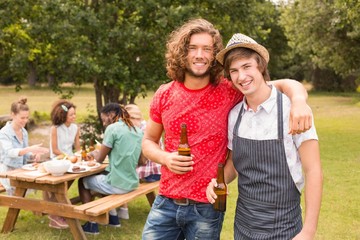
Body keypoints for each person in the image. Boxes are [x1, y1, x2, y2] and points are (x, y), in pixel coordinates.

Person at [141, 18, 313, 240]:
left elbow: (278, 85)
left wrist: (299, 99)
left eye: (207, 49)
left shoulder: (230, 90)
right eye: (192, 48)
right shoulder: (164, 94)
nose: (199, 54)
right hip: (165, 201)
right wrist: (165, 157)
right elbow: (148, 142)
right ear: (181, 52)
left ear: (214, 55)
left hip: (207, 206)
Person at [206, 33, 323, 239]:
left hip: (285, 226)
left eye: (246, 67)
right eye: (234, 71)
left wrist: (309, 231)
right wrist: (219, 179)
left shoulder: (294, 111)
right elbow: (233, 162)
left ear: (260, 66)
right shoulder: (235, 115)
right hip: (244, 225)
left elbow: (313, 171)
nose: (241, 76)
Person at [78, 103, 143, 235]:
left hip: (118, 185)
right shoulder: (137, 130)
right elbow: (142, 161)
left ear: (111, 115)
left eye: (103, 119)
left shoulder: (112, 129)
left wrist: (94, 155)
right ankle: (113, 218)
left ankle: (91, 224)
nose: (103, 123)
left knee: (82, 181)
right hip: (132, 183)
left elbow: (100, 160)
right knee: (103, 177)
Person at [43, 99, 81, 229]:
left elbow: (78, 148)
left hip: (69, 161)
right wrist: (68, 157)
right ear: (63, 115)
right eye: (71, 115)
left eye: (74, 114)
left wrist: (80, 156)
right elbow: (55, 150)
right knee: (59, 190)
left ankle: (57, 213)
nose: (74, 117)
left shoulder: (76, 128)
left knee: (63, 189)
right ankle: (55, 215)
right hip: (57, 161)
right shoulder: (55, 129)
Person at [0, 97, 48, 196]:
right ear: (12, 115)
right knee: (19, 194)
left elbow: (25, 154)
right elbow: (10, 152)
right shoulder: (4, 133)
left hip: (20, 170)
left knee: (42, 182)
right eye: (22, 118)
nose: (25, 121)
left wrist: (33, 155)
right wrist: (30, 149)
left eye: (27, 117)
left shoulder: (24, 132)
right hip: (7, 173)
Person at [125, 104, 162, 183]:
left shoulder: (139, 131)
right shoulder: (147, 126)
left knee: (119, 178)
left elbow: (139, 159)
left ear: (130, 118)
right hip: (158, 171)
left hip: (149, 174)